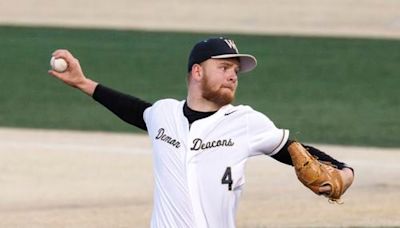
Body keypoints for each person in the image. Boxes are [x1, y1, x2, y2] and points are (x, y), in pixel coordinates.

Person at [48, 37, 354, 228]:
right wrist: (82, 83)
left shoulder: (246, 122)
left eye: (236, 71)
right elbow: (132, 109)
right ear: (197, 71)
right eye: (224, 67)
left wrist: (345, 172)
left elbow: (293, 149)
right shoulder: (164, 114)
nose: (233, 76)